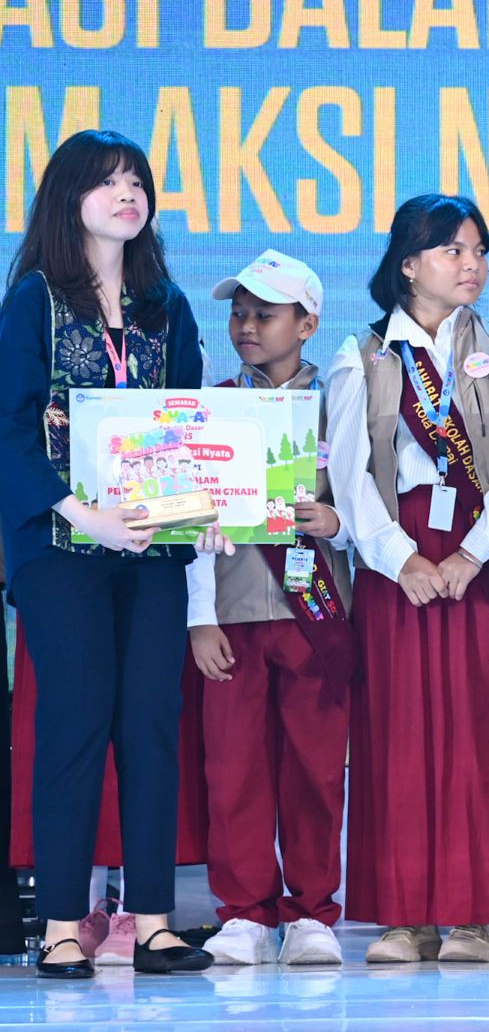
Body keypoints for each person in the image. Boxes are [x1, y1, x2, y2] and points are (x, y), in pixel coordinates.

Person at [0, 129, 216, 976]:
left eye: (138, 182)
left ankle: (152, 920)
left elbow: (195, 426)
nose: (128, 194)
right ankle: (60, 925)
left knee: (152, 725)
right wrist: (76, 511)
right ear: (69, 197)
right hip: (62, 549)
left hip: (153, 550)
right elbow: (12, 429)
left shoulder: (169, 305)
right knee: (76, 721)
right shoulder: (35, 302)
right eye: (109, 182)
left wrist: (207, 507)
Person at [325, 194, 489, 965]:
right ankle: (405, 915)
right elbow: (350, 474)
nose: (473, 266)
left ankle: (475, 915)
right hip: (403, 561)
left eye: (479, 251)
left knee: (487, 733)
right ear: (408, 263)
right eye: (454, 251)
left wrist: (473, 551)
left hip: (486, 559)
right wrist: (399, 560)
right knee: (400, 735)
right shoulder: (363, 354)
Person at [185, 249, 354, 966]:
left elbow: (371, 502)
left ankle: (314, 911)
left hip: (317, 611)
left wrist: (335, 522)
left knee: (316, 769)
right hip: (231, 616)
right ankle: (246, 912)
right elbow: (188, 520)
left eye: (266, 313)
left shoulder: (343, 402)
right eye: (239, 312)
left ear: (308, 322)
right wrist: (199, 617)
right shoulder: (211, 405)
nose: (247, 326)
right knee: (235, 769)